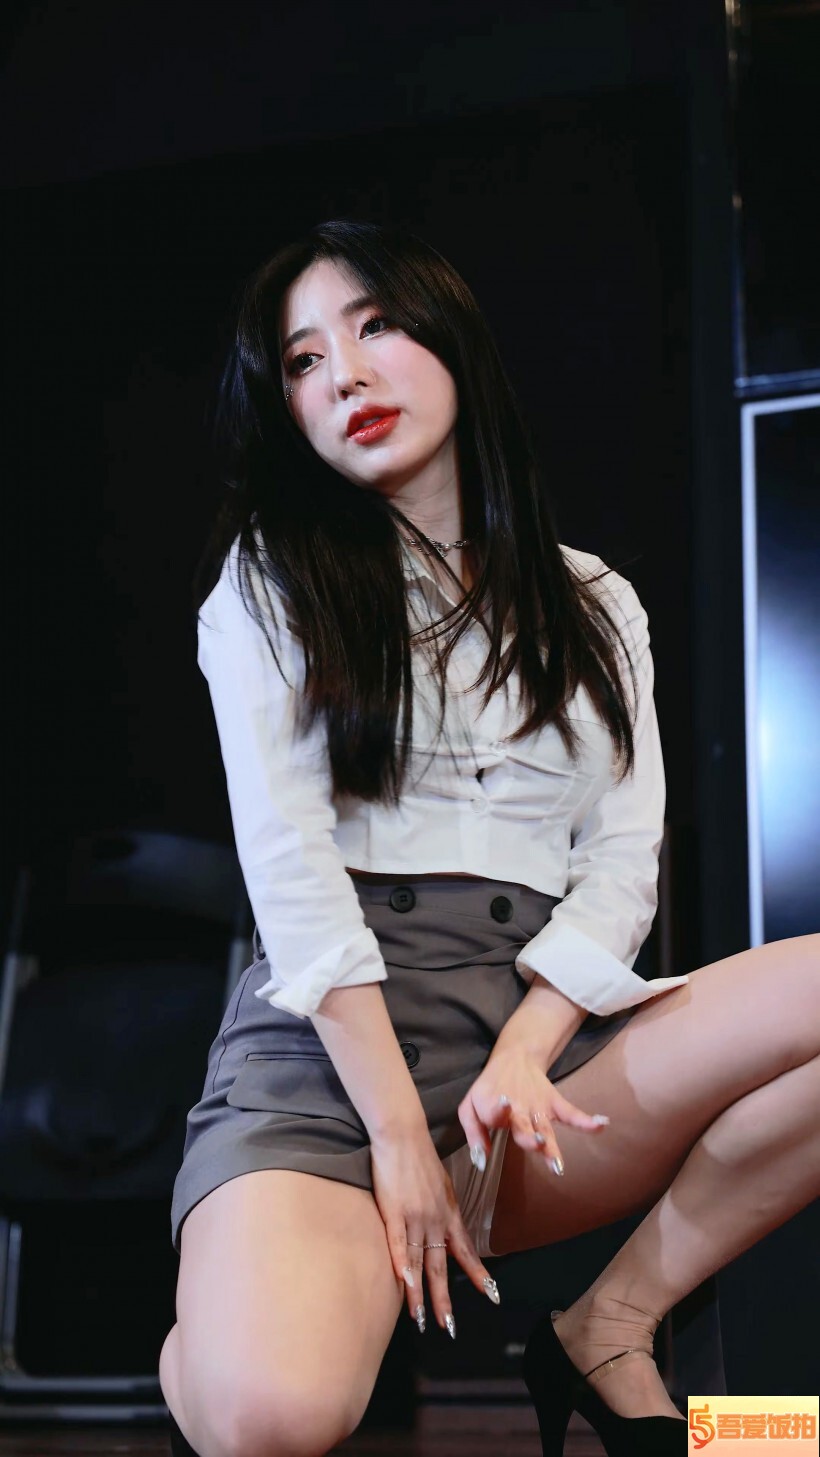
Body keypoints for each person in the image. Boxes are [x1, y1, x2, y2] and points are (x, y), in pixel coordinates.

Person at [159, 220, 820, 1457]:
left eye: (375, 326)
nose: (346, 375)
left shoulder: (593, 601)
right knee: (271, 1416)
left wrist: (527, 1043)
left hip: (532, 1061)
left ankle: (609, 1324)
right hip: (330, 1068)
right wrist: (396, 1137)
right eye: (302, 360)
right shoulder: (269, 576)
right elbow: (289, 866)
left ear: (451, 338)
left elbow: (621, 861)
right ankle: (224, 1302)